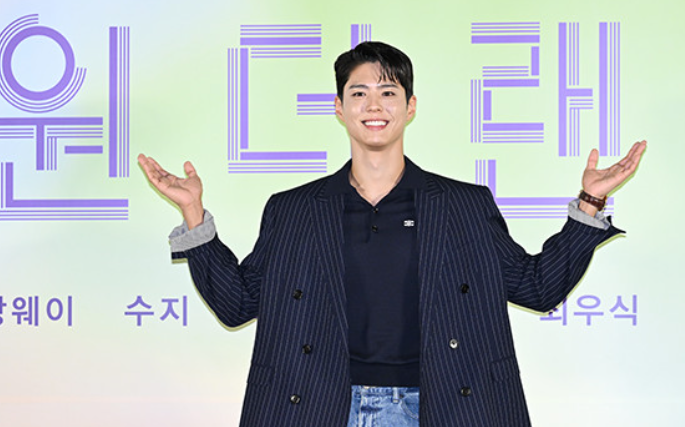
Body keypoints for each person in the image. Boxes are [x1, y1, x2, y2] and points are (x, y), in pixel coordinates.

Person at [138, 41, 645, 427]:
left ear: (410, 105)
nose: (373, 105)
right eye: (359, 93)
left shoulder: (464, 205)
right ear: (339, 107)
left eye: (388, 92)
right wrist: (193, 212)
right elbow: (237, 304)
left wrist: (590, 201)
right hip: (318, 406)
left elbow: (536, 287)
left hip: (444, 405)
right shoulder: (293, 210)